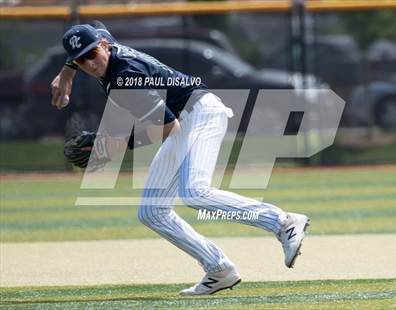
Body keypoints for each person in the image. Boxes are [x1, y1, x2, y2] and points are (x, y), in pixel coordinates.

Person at [52, 22, 310, 296]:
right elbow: (97, 28)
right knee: (152, 212)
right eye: (82, 60)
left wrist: (116, 145)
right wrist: (67, 73)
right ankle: (219, 269)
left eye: (92, 55)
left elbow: (168, 128)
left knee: (195, 192)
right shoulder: (103, 44)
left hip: (200, 113)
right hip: (184, 117)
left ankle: (282, 223)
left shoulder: (125, 78)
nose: (90, 64)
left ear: (103, 47)